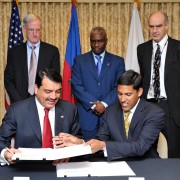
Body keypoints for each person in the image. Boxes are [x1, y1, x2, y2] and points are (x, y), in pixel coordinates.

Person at [56, 70, 165, 160]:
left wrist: (104, 145)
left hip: (147, 165)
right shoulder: (111, 111)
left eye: (128, 94)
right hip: (117, 164)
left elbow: (140, 147)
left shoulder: (154, 113)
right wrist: (81, 143)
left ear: (139, 92)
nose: (122, 99)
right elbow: (100, 140)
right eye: (119, 94)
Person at [0, 68, 81, 166]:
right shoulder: (17, 110)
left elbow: (78, 140)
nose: (54, 97)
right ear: (36, 89)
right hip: (27, 168)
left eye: (58, 91)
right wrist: (5, 153)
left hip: (62, 168)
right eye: (48, 91)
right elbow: (1, 140)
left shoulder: (70, 109)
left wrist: (74, 148)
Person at [137, 11, 180, 158]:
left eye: (159, 26)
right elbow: (144, 77)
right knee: (146, 151)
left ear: (167, 26)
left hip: (171, 108)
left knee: (174, 153)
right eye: (151, 26)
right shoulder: (142, 49)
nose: (154, 30)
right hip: (148, 106)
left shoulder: (177, 48)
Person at [71, 26, 125, 140]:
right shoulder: (79, 61)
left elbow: (119, 87)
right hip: (86, 117)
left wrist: (104, 104)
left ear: (106, 41)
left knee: (109, 153)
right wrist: (93, 105)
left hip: (110, 115)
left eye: (99, 41)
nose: (96, 44)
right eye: (93, 41)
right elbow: (76, 86)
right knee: (85, 153)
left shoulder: (118, 62)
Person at [4, 13, 60, 103]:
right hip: (19, 103)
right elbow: (8, 80)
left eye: (37, 30)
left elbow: (54, 79)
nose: (35, 34)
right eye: (31, 30)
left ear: (41, 30)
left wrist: (44, 98)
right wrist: (19, 101)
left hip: (44, 102)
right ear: (24, 29)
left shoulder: (52, 51)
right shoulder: (14, 53)